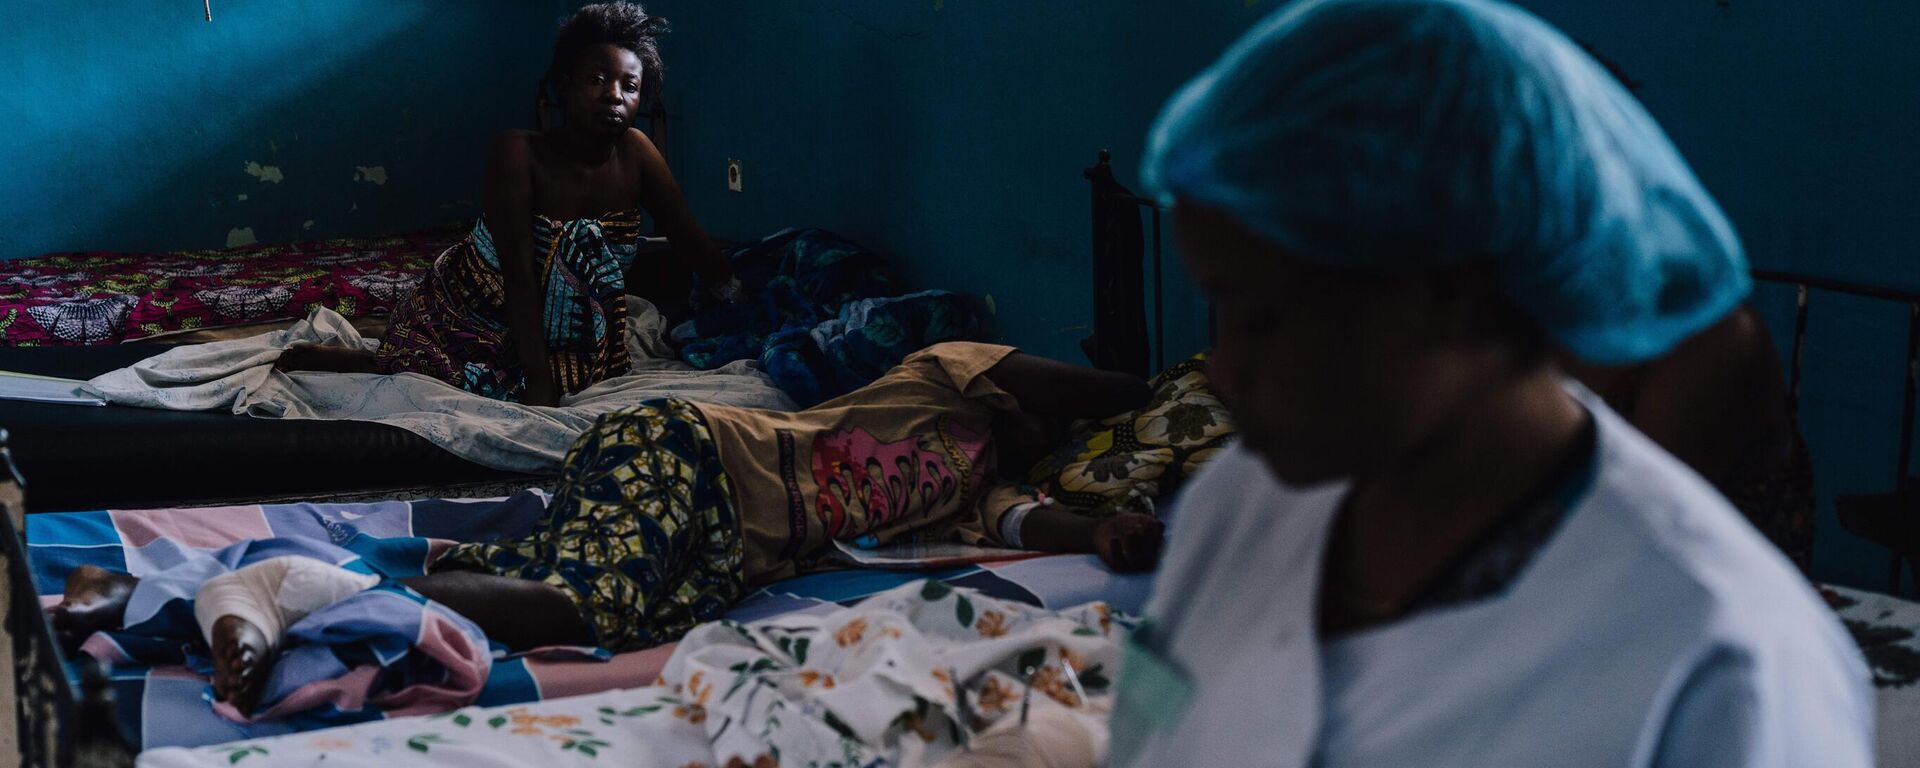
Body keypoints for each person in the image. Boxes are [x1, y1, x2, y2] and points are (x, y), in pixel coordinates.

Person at [1109, 0, 1873, 765]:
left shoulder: (1718, 661)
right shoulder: (1234, 510)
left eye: (1260, 318)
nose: (1222, 368)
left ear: (1452, 294)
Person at [53, 342, 1163, 716]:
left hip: (721, 550)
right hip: (690, 455)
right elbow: (1093, 382)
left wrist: (1109, 524)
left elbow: (1038, 517)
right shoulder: (949, 379)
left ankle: (152, 597)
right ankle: (286, 585)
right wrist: (1178, 393)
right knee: (590, 603)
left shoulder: (972, 495)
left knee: (549, 610)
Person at [278, 2, 737, 406]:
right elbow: (517, 275)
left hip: (571, 327)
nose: (615, 95)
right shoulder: (519, 152)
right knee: (440, 373)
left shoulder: (637, 153)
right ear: (565, 84)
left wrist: (744, 298)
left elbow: (692, 243)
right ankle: (370, 360)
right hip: (477, 307)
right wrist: (539, 381)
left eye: (629, 85)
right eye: (597, 79)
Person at [1566, 305, 1818, 570]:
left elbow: (1633, 534)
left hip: (1694, 591)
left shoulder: (1712, 338)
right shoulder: (1568, 330)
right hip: (1618, 583)